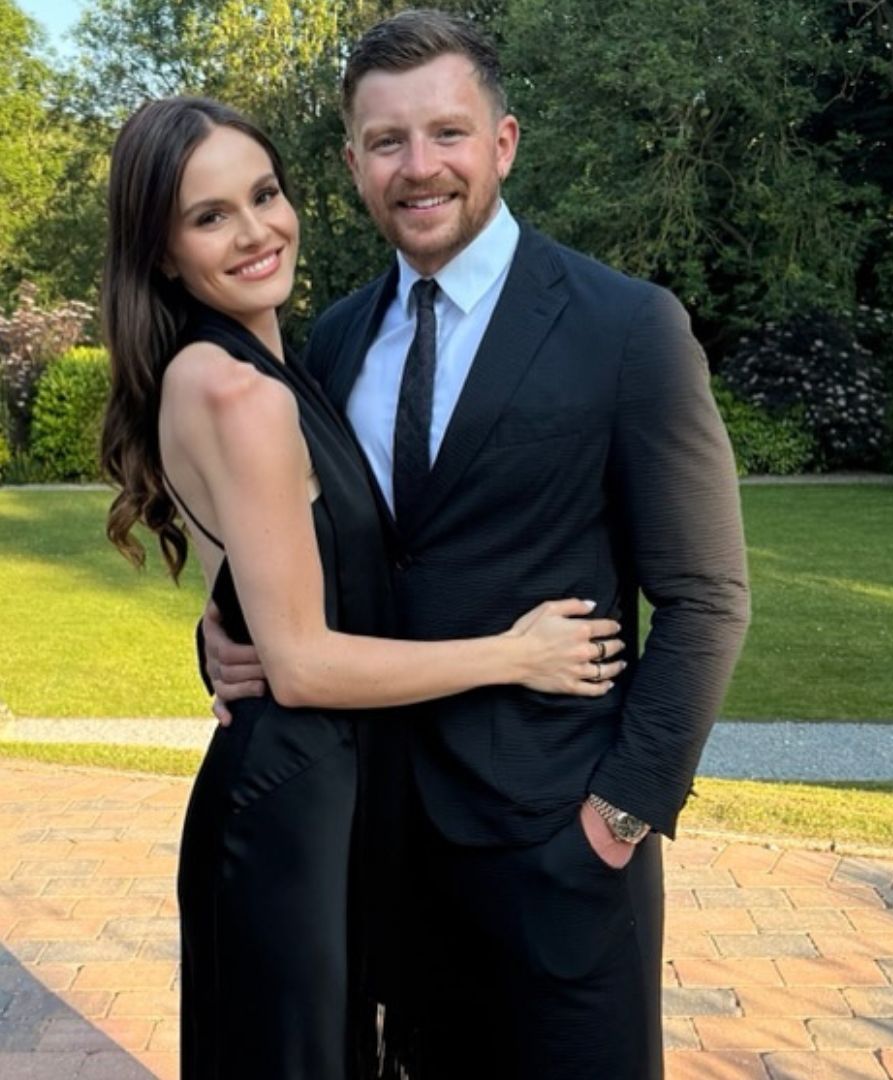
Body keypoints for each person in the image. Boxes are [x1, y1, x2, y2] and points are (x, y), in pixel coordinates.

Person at [204, 11, 749, 1077]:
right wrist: (221, 636)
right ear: (353, 164)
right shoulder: (335, 339)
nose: (420, 167)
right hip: (379, 841)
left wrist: (618, 815)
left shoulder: (626, 327)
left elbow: (707, 595)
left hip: (560, 849)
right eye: (387, 141)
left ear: (502, 143)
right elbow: (314, 552)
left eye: (447, 133)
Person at [98, 97, 627, 1078]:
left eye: (264, 195)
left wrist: (220, 631)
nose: (256, 231)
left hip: (325, 789)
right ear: (163, 253)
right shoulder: (238, 391)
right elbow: (299, 664)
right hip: (293, 801)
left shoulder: (269, 369)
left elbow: (265, 594)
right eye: (210, 216)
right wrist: (516, 654)